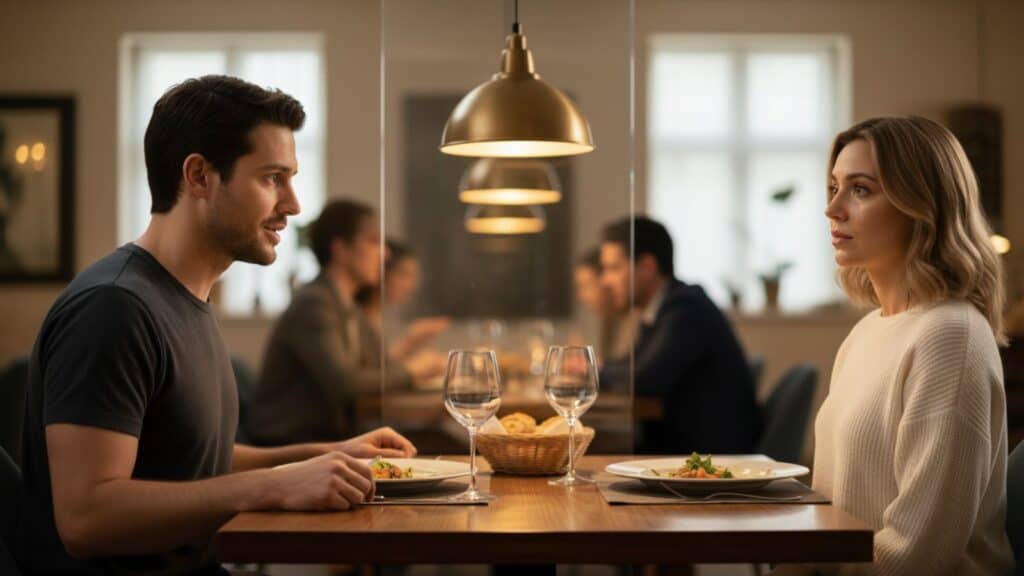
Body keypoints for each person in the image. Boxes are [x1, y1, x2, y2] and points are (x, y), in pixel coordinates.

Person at [17, 76, 416, 576]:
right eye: (273, 178)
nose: (293, 204)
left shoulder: (183, 298)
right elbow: (86, 518)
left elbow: (189, 460)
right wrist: (275, 485)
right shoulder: (113, 308)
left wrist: (327, 456)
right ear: (199, 176)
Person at [776, 117, 1015, 575]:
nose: (833, 209)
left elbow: (915, 557)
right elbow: (834, 509)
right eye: (834, 187)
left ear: (923, 205)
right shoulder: (867, 332)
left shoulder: (950, 336)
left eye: (861, 189)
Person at [248, 202, 443, 445]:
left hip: (329, 438)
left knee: (440, 443)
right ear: (340, 249)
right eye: (373, 241)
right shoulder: (315, 303)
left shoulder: (345, 303)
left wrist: (410, 358)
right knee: (438, 445)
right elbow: (346, 383)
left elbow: (379, 364)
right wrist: (413, 371)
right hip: (291, 443)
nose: (385, 254)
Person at [599, 216, 761, 454]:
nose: (605, 280)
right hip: (683, 447)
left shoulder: (685, 308)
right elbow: (634, 365)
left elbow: (646, 380)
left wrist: (592, 371)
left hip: (706, 458)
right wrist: (599, 368)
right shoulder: (662, 309)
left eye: (613, 268)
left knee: (593, 449)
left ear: (646, 267)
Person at [357, 239, 450, 364]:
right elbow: (368, 374)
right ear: (380, 271)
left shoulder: (374, 315)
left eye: (413, 277)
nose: (411, 285)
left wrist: (411, 341)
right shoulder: (356, 316)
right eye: (403, 274)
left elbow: (380, 365)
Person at [571, 247, 633, 361]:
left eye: (586, 286)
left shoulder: (634, 319)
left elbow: (625, 371)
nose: (581, 296)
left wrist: (587, 364)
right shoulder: (609, 318)